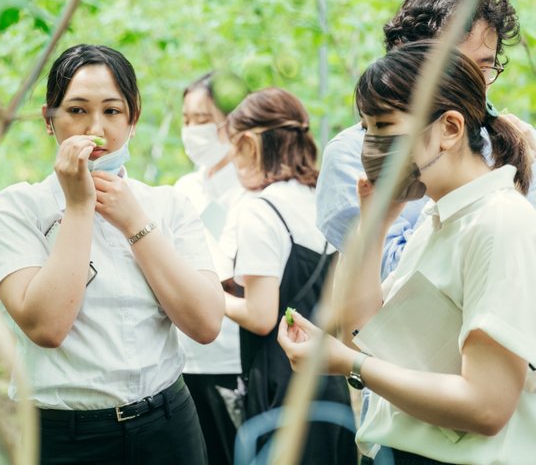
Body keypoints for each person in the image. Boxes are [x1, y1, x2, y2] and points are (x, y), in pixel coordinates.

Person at [278, 40, 536, 465]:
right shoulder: (436, 218)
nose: (370, 145)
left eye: (384, 127)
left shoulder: (498, 223)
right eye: (366, 129)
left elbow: (486, 406)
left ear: (450, 129)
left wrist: (348, 366)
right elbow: (361, 334)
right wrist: (374, 224)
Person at [0, 44, 224, 464]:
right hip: (62, 435)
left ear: (134, 119)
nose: (95, 128)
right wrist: (78, 207)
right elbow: (47, 327)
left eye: (112, 111)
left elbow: (205, 323)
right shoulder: (18, 208)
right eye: (77, 110)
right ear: (48, 119)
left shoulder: (168, 205)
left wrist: (135, 223)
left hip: (167, 425)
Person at [316, 0, 535, 279]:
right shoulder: (355, 154)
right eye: (455, 66)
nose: (474, 84)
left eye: (484, 68)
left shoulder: (509, 145)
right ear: (406, 57)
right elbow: (391, 279)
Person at [223, 88, 357, 463]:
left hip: (281, 389)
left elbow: (261, 315)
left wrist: (207, 294)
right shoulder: (322, 200)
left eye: (234, 146)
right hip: (331, 381)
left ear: (250, 144)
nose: (232, 159)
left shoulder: (260, 209)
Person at [174, 73, 244, 465]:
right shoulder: (183, 189)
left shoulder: (256, 190)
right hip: (182, 363)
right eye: (186, 120)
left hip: (233, 360)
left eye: (202, 119)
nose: (191, 130)